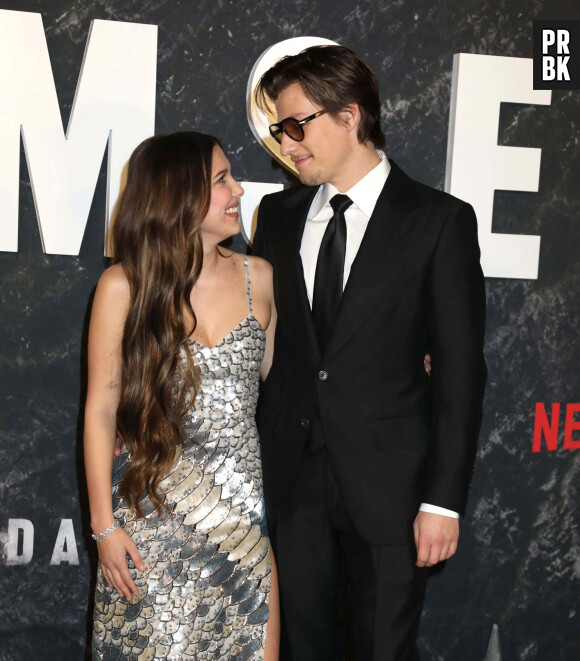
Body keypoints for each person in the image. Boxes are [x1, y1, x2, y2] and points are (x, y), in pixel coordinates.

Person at [252, 45, 487, 660]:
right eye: (279, 129)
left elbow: (461, 372)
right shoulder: (275, 216)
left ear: (349, 115)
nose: (286, 142)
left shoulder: (439, 221)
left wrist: (442, 500)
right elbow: (262, 350)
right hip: (294, 485)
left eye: (296, 125)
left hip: (393, 491)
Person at [84, 131, 280, 660]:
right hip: (148, 536)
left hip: (242, 541)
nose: (238, 190)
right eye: (221, 180)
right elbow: (101, 411)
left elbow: (293, 391)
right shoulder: (123, 287)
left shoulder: (259, 279)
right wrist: (103, 528)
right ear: (178, 196)